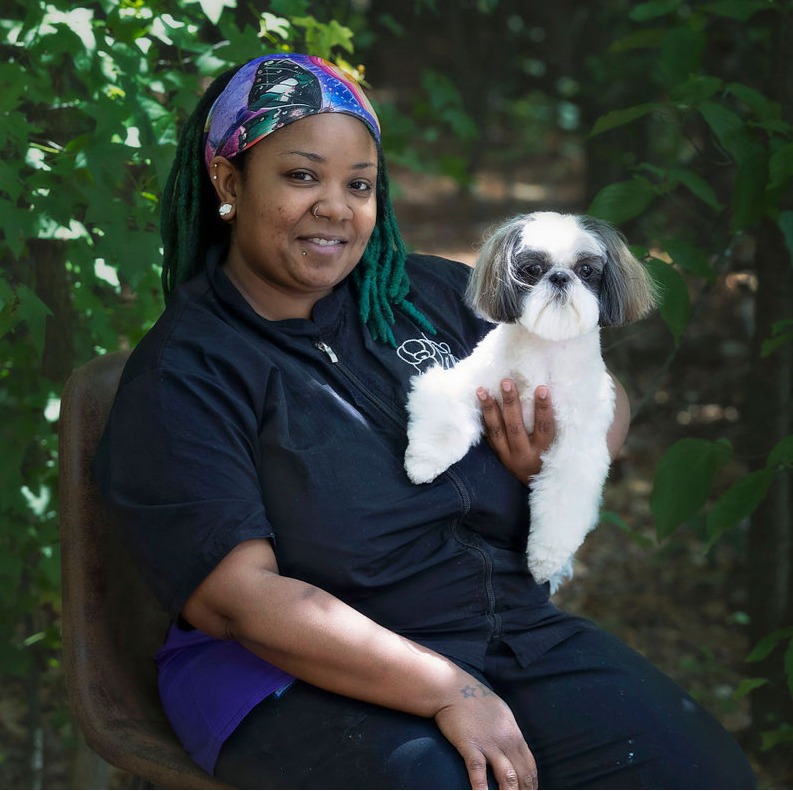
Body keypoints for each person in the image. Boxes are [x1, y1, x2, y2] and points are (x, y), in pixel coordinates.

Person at [94, 53, 756, 790]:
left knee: (700, 771)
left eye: (360, 184)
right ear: (228, 181)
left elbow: (598, 387)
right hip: (279, 674)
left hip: (505, 634)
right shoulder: (189, 370)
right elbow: (240, 600)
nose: (336, 207)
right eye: (301, 176)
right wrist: (448, 689)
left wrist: (561, 451)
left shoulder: (428, 295)